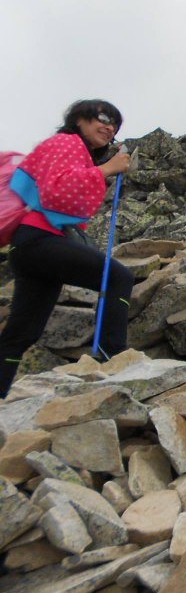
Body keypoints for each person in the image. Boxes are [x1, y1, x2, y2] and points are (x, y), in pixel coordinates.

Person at [0, 100, 133, 398]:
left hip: (30, 247)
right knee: (118, 277)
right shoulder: (67, 143)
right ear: (79, 120)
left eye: (115, 124)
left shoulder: (73, 151)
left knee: (21, 335)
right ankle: (114, 359)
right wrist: (107, 169)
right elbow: (57, 188)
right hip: (41, 239)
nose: (109, 126)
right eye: (102, 117)